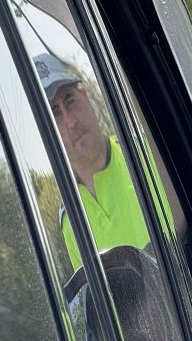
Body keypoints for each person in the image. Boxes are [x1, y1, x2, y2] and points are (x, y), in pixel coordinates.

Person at [33, 53, 150, 268]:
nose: (71, 121)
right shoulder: (70, 220)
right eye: (55, 113)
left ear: (85, 96)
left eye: (69, 100)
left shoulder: (146, 156)